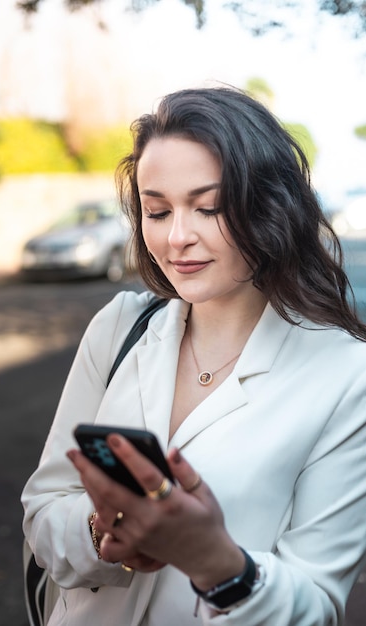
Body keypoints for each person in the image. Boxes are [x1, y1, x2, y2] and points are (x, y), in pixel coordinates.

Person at [21, 85, 366, 626]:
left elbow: (315, 605)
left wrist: (215, 562)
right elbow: (43, 513)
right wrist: (104, 532)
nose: (177, 237)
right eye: (156, 211)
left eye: (208, 208)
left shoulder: (346, 374)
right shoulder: (119, 327)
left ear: (271, 207)